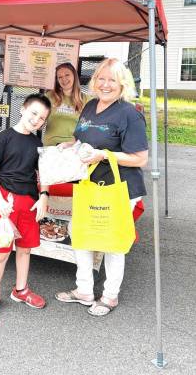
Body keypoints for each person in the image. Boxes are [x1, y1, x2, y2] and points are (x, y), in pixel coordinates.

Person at [55, 58, 148, 316]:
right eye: (101, 79)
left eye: (112, 80)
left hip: (119, 187)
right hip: (90, 184)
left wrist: (104, 155)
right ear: (94, 81)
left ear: (123, 84)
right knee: (81, 233)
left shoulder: (130, 114)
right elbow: (82, 136)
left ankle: (110, 296)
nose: (106, 85)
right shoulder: (90, 105)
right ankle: (84, 290)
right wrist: (70, 144)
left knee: (111, 241)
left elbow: (140, 158)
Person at [0, 93, 51, 319]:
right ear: (23, 110)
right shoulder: (3, 138)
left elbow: (44, 172)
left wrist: (44, 196)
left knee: (25, 248)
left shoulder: (37, 144)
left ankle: (21, 290)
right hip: (6, 202)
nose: (36, 120)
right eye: (34, 113)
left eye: (42, 118)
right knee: (1, 252)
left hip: (29, 203)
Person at [43, 62, 86, 147]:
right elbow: (40, 119)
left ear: (74, 76)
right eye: (60, 77)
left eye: (67, 75)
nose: (64, 79)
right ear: (57, 80)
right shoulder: (49, 96)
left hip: (73, 147)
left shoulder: (87, 99)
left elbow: (89, 126)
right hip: (51, 146)